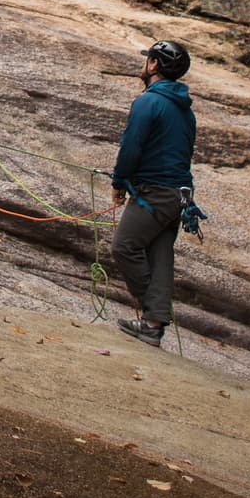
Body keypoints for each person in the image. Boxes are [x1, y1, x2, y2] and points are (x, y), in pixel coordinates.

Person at [107, 39, 197, 347]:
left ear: (155, 64)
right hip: (179, 195)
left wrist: (119, 183)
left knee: (124, 246)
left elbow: (132, 147)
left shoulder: (148, 102)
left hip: (155, 193)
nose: (145, 64)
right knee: (160, 257)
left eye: (149, 59)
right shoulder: (185, 110)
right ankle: (152, 327)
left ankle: (152, 314)